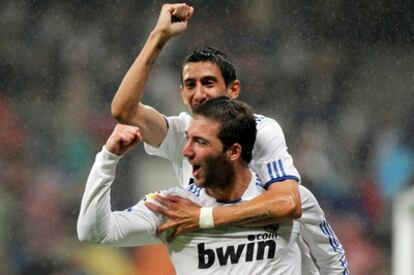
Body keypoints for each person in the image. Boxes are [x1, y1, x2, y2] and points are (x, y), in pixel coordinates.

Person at [111, 3, 348, 274]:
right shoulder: (181, 131)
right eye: (190, 85)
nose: (198, 94)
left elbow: (288, 203)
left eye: (208, 83)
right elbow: (123, 111)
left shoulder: (262, 130)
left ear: (233, 89)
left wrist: (204, 218)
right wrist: (159, 36)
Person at [78, 98, 303, 274]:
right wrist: (108, 158)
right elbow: (94, 233)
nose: (186, 152)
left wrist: (205, 218)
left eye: (200, 142)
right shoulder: (173, 207)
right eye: (188, 139)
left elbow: (329, 257)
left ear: (233, 152)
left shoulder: (282, 200)